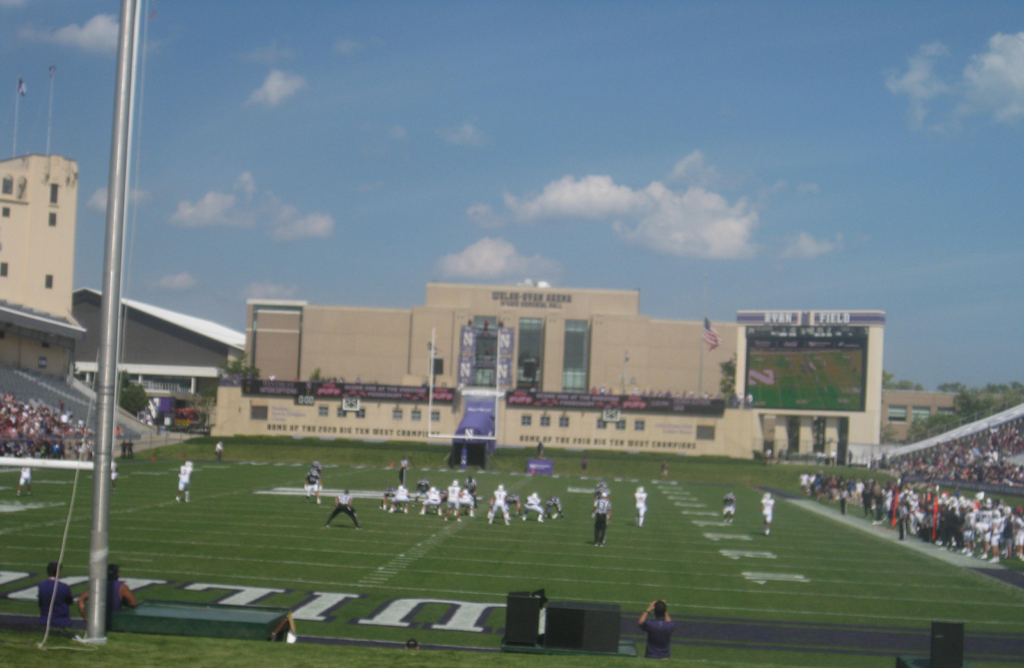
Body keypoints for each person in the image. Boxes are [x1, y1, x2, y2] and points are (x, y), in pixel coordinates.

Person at [37, 561, 74, 628]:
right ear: (58, 572)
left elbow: (41, 602)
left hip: (45, 620)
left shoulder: (42, 585)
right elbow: (70, 601)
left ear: (47, 571)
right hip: (62, 621)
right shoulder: (64, 587)